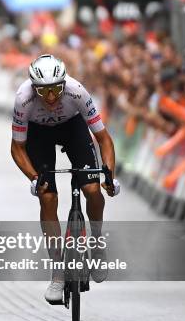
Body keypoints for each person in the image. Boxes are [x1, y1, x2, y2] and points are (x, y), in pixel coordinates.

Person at [10, 54, 120, 303]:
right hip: (39, 135)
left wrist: (108, 174)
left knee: (92, 189)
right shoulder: (23, 99)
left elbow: (103, 138)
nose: (50, 98)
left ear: (64, 83)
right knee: (47, 197)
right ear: (33, 88)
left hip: (73, 128)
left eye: (55, 90)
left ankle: (97, 241)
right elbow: (17, 148)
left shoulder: (76, 92)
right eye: (43, 91)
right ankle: (58, 271)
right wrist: (34, 178)